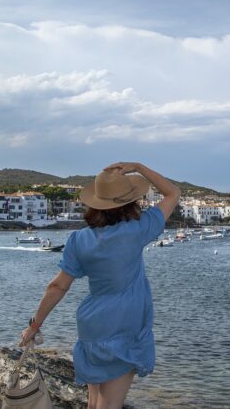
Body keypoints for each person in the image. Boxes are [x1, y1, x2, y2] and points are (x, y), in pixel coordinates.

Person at [19, 162, 180, 409]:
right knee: (109, 405)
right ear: (130, 202)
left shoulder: (80, 239)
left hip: (91, 325)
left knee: (94, 402)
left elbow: (57, 287)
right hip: (124, 326)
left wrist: (35, 325)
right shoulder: (138, 230)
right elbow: (172, 193)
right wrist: (138, 167)